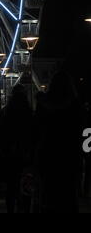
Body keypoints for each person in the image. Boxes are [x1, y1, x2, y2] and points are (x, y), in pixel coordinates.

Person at [34, 71, 83, 213]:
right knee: (69, 194)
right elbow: (81, 130)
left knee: (49, 193)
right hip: (69, 154)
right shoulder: (75, 105)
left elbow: (37, 128)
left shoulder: (44, 103)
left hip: (48, 153)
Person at [0, 84, 33, 213]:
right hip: (25, 154)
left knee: (11, 188)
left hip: (9, 154)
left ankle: (11, 209)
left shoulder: (6, 112)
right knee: (25, 186)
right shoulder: (28, 112)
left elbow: (1, 133)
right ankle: (24, 209)